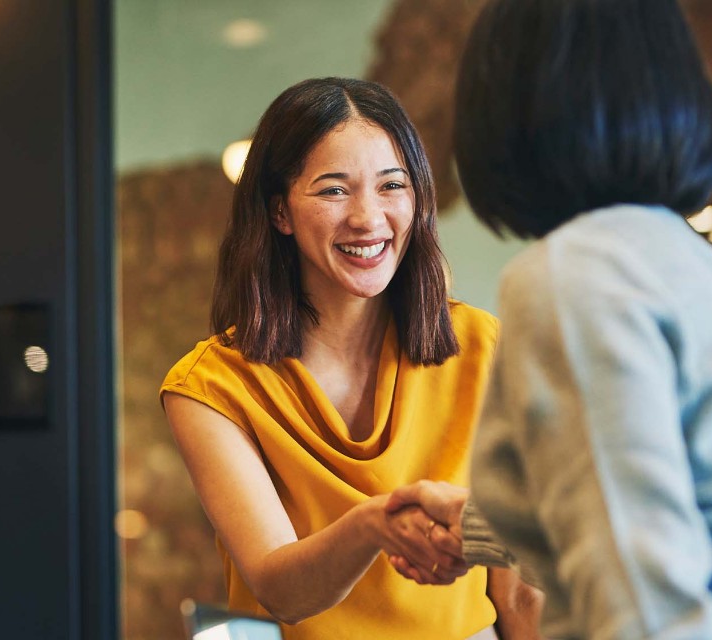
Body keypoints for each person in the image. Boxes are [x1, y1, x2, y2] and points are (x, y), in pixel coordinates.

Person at [383, 1, 712, 638]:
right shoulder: (686, 259)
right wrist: (476, 524)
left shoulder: (573, 275)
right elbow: (687, 501)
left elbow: (639, 584)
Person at [160, 77, 540, 640]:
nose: (368, 217)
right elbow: (280, 589)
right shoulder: (211, 387)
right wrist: (374, 526)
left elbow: (520, 589)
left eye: (392, 185)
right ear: (279, 212)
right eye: (333, 190)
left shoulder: (486, 349)